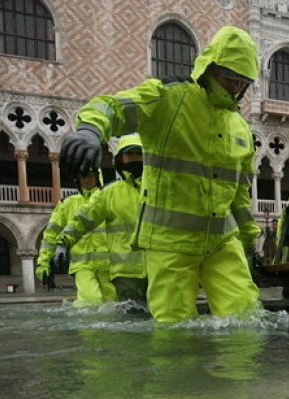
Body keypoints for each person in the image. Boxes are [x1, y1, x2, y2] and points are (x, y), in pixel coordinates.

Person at [59, 26, 261, 323]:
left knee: (247, 319)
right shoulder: (169, 97)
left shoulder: (240, 127)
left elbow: (240, 196)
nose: (234, 86)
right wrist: (90, 129)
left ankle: (240, 371)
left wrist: (249, 243)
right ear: (209, 67)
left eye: (242, 81)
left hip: (221, 242)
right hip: (170, 242)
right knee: (174, 329)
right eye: (228, 76)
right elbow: (114, 106)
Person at [54, 134, 148, 305]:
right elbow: (82, 220)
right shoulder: (109, 193)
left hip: (161, 267)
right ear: (120, 159)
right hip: (126, 273)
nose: (135, 158)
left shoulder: (161, 189)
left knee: (166, 316)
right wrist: (63, 243)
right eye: (130, 154)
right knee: (132, 321)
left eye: (139, 154)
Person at [36, 169, 113, 305]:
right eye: (82, 176)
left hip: (109, 265)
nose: (86, 179)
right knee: (90, 301)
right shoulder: (68, 203)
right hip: (81, 265)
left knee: (113, 305)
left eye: (90, 175)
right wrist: (43, 262)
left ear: (98, 176)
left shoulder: (108, 198)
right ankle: (85, 325)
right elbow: (51, 234)